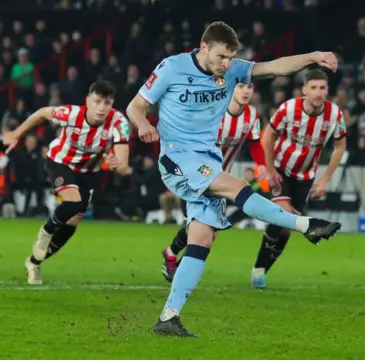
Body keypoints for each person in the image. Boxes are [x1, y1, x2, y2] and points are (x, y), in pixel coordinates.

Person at [125, 21, 342, 337]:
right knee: (238, 186)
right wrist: (143, 124)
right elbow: (135, 105)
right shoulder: (172, 68)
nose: (226, 65)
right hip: (178, 156)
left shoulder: (234, 71)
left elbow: (275, 67)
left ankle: (168, 317)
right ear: (204, 48)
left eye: (230, 59)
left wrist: (314, 55)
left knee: (201, 239)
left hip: (207, 158)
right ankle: (305, 226)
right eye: (221, 57)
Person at [2, 80, 132, 285]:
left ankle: (34, 261)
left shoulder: (119, 123)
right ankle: (46, 230)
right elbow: (43, 113)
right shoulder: (71, 114)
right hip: (60, 162)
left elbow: (124, 167)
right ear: (88, 101)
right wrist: (17, 134)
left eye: (107, 103)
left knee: (72, 222)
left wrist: (117, 165)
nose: (101, 108)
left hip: (89, 173)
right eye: (97, 101)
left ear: (112, 103)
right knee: (72, 204)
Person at [251, 69, 347, 288]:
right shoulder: (289, 109)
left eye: (322, 88)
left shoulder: (335, 115)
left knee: (286, 228)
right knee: (283, 216)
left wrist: (324, 179)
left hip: (305, 176)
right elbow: (269, 136)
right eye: (313, 88)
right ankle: (258, 271)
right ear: (304, 90)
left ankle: (261, 269)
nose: (318, 93)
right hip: (281, 169)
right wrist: (269, 168)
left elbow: (340, 146)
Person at [161, 82, 266, 282]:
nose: (245, 91)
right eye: (241, 86)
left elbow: (254, 145)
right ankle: (179, 267)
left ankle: (172, 254)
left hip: (219, 181)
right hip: (194, 175)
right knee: (200, 230)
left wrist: (262, 165)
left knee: (211, 234)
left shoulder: (252, 116)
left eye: (250, 87)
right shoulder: (212, 109)